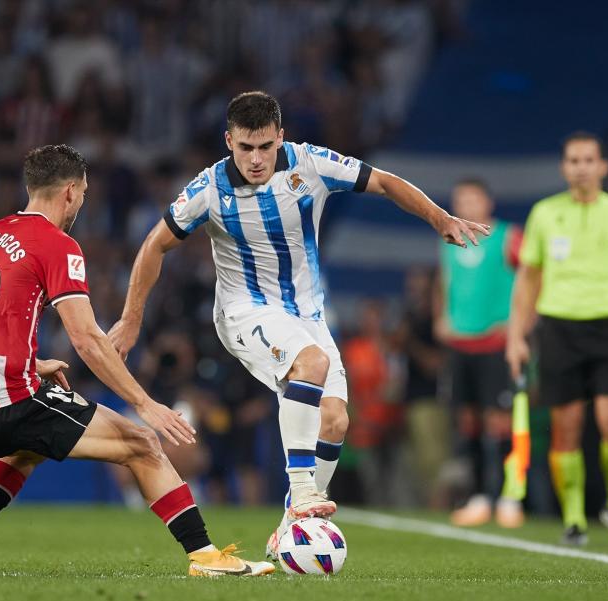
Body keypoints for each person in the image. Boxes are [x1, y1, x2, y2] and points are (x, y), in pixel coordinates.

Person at [107, 91, 489, 562]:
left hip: (307, 314)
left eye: (265, 147)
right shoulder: (207, 189)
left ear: (280, 138)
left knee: (335, 419)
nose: (255, 158)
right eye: (244, 148)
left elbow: (386, 182)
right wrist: (130, 319)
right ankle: (304, 492)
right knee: (312, 363)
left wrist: (439, 217)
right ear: (229, 141)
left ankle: (292, 524)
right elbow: (154, 245)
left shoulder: (310, 164)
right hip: (244, 312)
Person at [0, 144, 273, 577]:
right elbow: (88, 339)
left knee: (28, 445)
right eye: (84, 193)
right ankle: (205, 556)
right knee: (143, 444)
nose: (83, 202)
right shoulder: (58, 244)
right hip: (2, 402)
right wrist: (145, 404)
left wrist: (32, 367)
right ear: (69, 192)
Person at [506, 132, 608, 547]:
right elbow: (528, 280)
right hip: (557, 329)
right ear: (564, 168)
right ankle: (574, 520)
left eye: (589, 160)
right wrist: (516, 336)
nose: (582, 167)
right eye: (574, 160)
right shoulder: (544, 214)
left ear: (603, 166)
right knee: (565, 431)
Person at [437, 179, 524, 527]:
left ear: (488, 201)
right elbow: (446, 282)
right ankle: (476, 497)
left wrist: (518, 326)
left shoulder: (509, 236)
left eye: (473, 199)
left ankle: (507, 497)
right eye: (461, 200)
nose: (468, 205)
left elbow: (532, 280)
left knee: (499, 422)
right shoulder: (448, 238)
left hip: (496, 342)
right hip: (460, 342)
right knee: (468, 422)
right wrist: (441, 314)